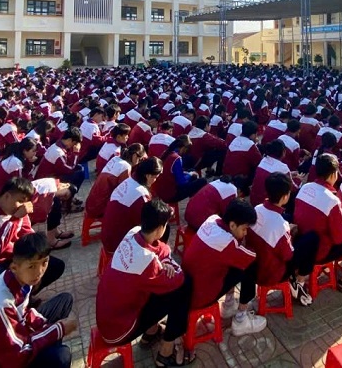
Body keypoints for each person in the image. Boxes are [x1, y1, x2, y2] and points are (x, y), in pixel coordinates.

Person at [96, 199, 194, 367]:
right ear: (160, 228)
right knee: (183, 288)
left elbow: (160, 249)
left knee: (157, 287)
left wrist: (163, 260)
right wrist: (166, 263)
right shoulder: (148, 261)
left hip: (108, 319)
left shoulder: (133, 233)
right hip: (120, 329)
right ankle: (165, 353)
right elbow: (178, 277)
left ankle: (151, 333)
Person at [0, 233, 78, 368]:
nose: (39, 272)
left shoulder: (19, 278)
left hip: (12, 339)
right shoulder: (1, 304)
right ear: (14, 267)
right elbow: (16, 357)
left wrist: (47, 327)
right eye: (32, 266)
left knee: (64, 301)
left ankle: (49, 348)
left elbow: (24, 312)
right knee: (61, 356)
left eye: (44, 262)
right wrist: (58, 329)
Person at [182, 199, 267, 337]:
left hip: (188, 287)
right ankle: (241, 319)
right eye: (244, 229)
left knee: (234, 263)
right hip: (200, 296)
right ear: (232, 225)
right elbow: (252, 256)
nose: (246, 233)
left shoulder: (212, 220)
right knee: (250, 266)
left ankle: (228, 304)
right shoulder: (227, 242)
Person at [293, 154, 342, 293]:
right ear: (334, 174)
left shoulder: (305, 188)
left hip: (301, 243)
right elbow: (339, 238)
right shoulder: (332, 201)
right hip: (320, 252)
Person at [245, 172, 312, 306]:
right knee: (310, 240)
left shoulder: (257, 209)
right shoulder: (280, 225)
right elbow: (287, 256)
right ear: (285, 196)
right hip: (270, 273)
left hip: (253, 266)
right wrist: (289, 234)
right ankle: (299, 280)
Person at [101, 157, 161, 254]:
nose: (156, 180)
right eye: (155, 177)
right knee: (158, 228)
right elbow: (147, 224)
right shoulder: (141, 195)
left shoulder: (129, 181)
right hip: (117, 244)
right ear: (148, 176)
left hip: (107, 237)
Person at [86, 142, 145, 219]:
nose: (139, 162)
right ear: (134, 156)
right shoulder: (126, 167)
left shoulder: (115, 159)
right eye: (140, 159)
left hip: (91, 202)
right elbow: (126, 192)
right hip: (99, 208)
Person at [150, 135, 206, 204]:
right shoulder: (176, 158)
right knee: (201, 181)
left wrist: (188, 173)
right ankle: (194, 203)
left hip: (160, 191)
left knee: (191, 170)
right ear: (184, 147)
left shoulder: (167, 153)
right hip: (169, 195)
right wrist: (190, 175)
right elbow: (181, 182)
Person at [184, 174, 249, 231]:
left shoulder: (219, 182)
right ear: (239, 190)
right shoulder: (232, 190)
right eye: (241, 196)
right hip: (198, 222)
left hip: (188, 214)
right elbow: (227, 216)